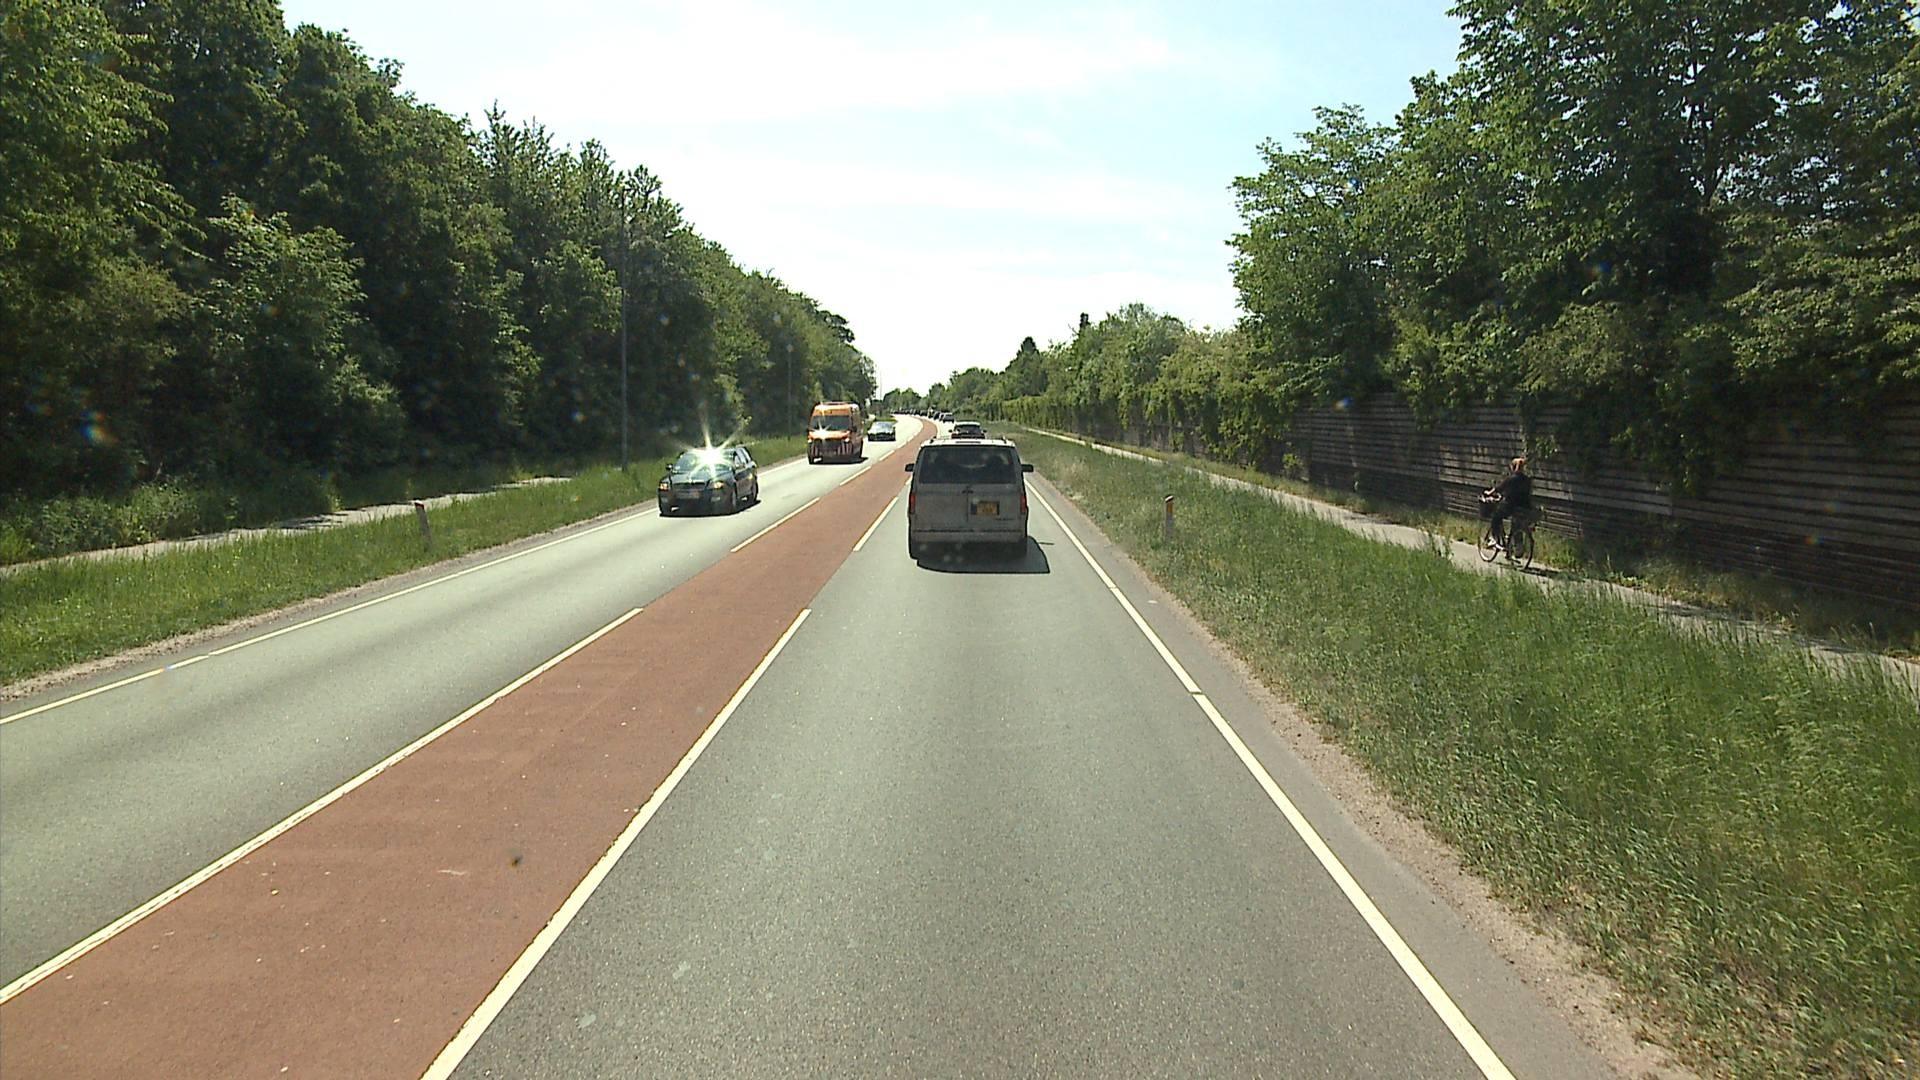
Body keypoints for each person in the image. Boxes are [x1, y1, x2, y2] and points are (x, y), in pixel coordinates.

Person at [1484, 456, 1533, 551]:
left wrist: (1489, 493)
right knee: (1516, 524)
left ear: (1513, 467)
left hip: (1511, 506)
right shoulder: (1527, 480)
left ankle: (1494, 539)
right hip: (1525, 507)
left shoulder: (1511, 479)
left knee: (1496, 517)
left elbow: (1499, 488)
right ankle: (1514, 546)